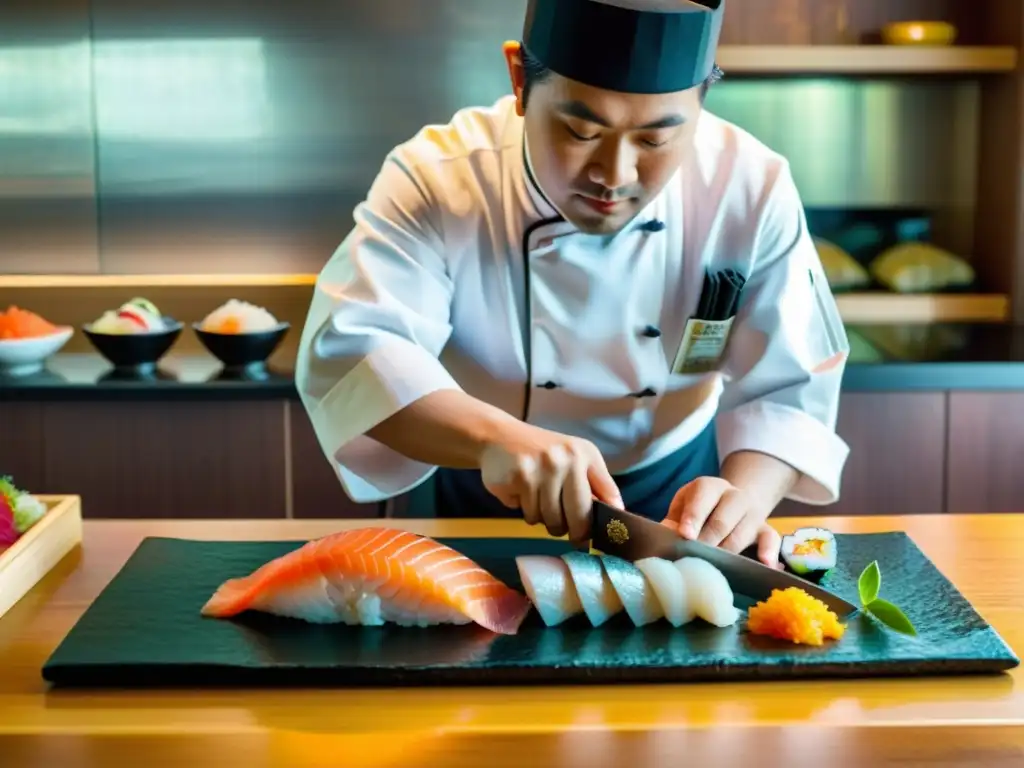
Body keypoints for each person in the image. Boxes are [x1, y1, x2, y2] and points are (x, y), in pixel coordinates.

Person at [295, 0, 851, 568]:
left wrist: (744, 500)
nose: (615, 176)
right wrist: (495, 439)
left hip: (676, 505)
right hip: (475, 495)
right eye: (581, 130)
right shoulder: (439, 178)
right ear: (519, 79)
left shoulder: (752, 187)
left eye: (656, 141)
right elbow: (356, 353)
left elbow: (790, 388)